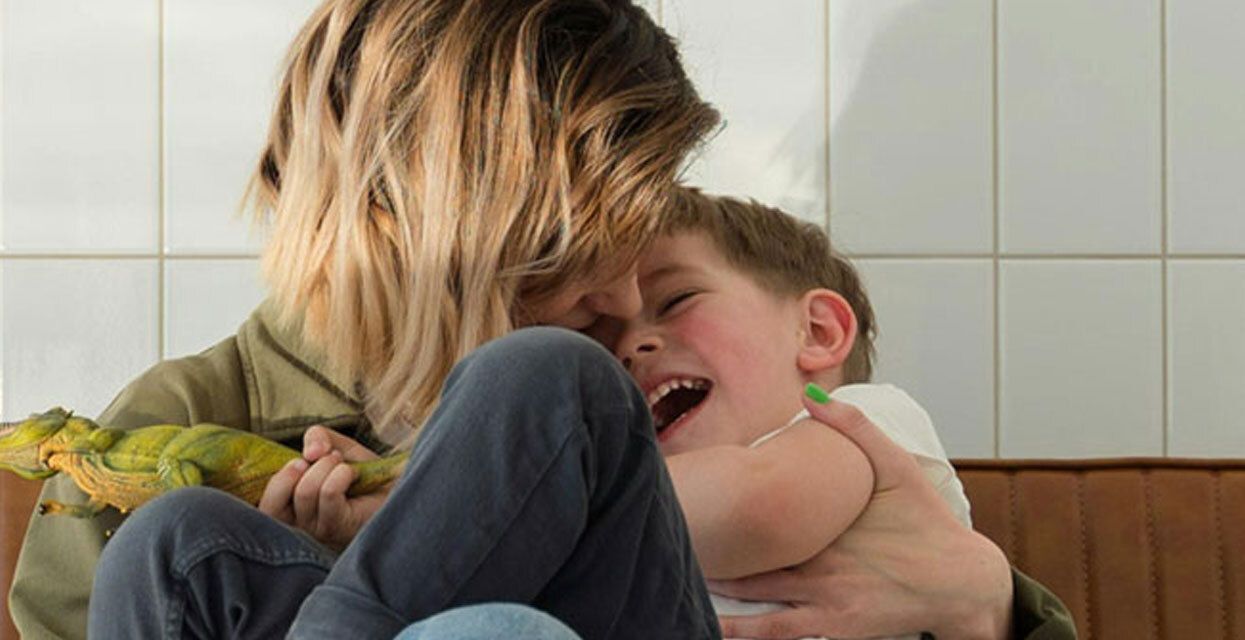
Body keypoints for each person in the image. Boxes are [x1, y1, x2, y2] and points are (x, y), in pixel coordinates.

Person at [9, 0, 1076, 638]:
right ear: (439, 229)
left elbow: (760, 518)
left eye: (649, 263)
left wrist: (991, 604)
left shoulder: (661, 396)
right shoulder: (161, 441)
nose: (621, 307)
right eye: (576, 253)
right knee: (177, 541)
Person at [614, 190, 1070, 639]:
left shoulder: (863, 421)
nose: (626, 349)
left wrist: (582, 491)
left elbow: (766, 507)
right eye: (603, 342)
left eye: (676, 300)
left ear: (817, 331)